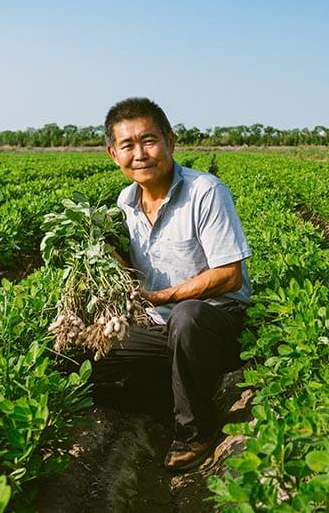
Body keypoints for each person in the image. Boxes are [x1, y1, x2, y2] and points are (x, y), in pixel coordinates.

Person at [91, 97, 252, 471]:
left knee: (187, 316)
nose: (140, 154)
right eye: (127, 145)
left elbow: (229, 276)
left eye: (149, 141)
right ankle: (176, 393)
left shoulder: (205, 192)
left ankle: (196, 431)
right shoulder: (125, 203)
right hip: (160, 325)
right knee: (85, 358)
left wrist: (163, 296)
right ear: (114, 154)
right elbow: (136, 268)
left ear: (170, 141)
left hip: (214, 322)